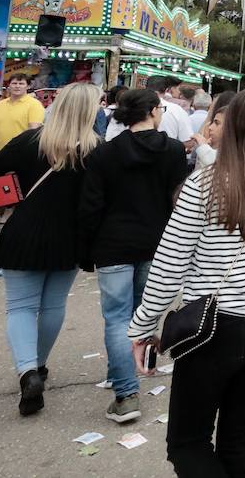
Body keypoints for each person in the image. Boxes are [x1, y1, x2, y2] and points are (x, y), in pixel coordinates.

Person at [129, 88, 245, 477]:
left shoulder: (204, 185)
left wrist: (143, 325)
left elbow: (170, 263)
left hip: (215, 326)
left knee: (187, 443)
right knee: (237, 433)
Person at [0, 82, 98, 416]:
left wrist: (12, 199)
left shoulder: (29, 141)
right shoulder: (96, 151)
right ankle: (40, 366)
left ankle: (28, 370)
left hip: (24, 233)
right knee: (54, 305)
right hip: (70, 239)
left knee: (19, 307)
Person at [77, 88, 188, 424]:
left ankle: (126, 393)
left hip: (112, 244)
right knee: (146, 310)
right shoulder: (172, 150)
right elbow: (179, 199)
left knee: (116, 316)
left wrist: (85, 250)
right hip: (156, 242)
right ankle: (144, 364)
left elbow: (91, 205)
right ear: (154, 111)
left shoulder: (105, 153)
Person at [0, 73, 45, 152]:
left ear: (28, 86)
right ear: (9, 86)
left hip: (20, 154)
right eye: (14, 83)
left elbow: (33, 133)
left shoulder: (34, 105)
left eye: (21, 84)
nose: (17, 86)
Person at [147, 76, 196, 152]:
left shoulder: (135, 106)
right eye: (178, 88)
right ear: (167, 90)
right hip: (167, 157)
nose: (179, 92)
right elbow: (188, 142)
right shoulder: (177, 110)